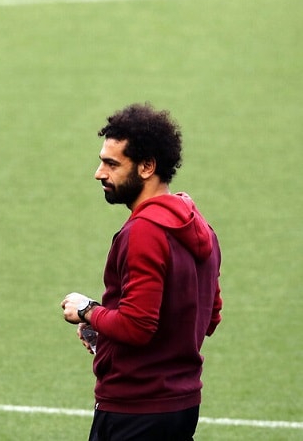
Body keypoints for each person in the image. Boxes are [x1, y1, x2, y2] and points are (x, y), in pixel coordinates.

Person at [60, 103, 223, 441]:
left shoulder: (144, 232)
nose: (99, 173)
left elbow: (137, 326)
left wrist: (88, 311)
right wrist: (107, 333)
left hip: (135, 410)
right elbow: (208, 316)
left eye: (112, 164)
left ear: (147, 166)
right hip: (181, 406)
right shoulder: (199, 227)